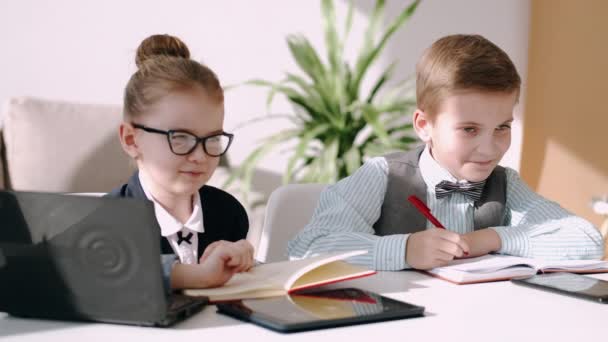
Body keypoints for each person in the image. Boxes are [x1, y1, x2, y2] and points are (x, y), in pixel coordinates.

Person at [288, 34, 604, 271]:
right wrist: (404, 249)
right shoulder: (382, 176)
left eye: (502, 127)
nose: (489, 148)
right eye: (469, 129)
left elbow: (587, 240)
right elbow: (308, 247)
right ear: (424, 125)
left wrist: (493, 238)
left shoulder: (505, 183)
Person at [108, 34, 254, 291]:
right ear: (132, 140)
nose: (199, 156)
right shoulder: (106, 222)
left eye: (211, 139)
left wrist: (242, 262)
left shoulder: (229, 214)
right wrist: (198, 276)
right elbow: (102, 277)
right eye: (181, 138)